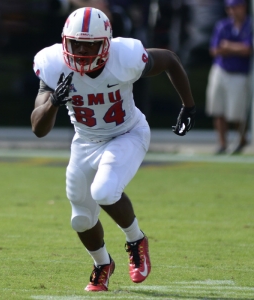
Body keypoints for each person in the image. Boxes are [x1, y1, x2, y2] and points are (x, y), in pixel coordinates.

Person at [31, 7, 196, 292]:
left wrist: (188, 106)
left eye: (89, 44)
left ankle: (136, 240)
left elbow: (169, 59)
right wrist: (53, 102)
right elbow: (38, 128)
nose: (81, 50)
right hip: (85, 142)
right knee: (81, 219)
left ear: (106, 44)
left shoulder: (125, 57)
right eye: (76, 43)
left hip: (126, 134)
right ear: (64, 42)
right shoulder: (53, 64)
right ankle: (102, 264)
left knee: (104, 191)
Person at [206, 0, 252, 154]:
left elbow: (248, 50)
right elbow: (214, 50)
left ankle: (241, 139)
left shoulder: (250, 25)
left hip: (239, 73)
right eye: (229, 8)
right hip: (221, 70)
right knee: (217, 108)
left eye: (234, 7)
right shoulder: (222, 25)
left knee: (236, 113)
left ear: (243, 7)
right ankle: (222, 143)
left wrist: (228, 46)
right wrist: (237, 48)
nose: (231, 11)